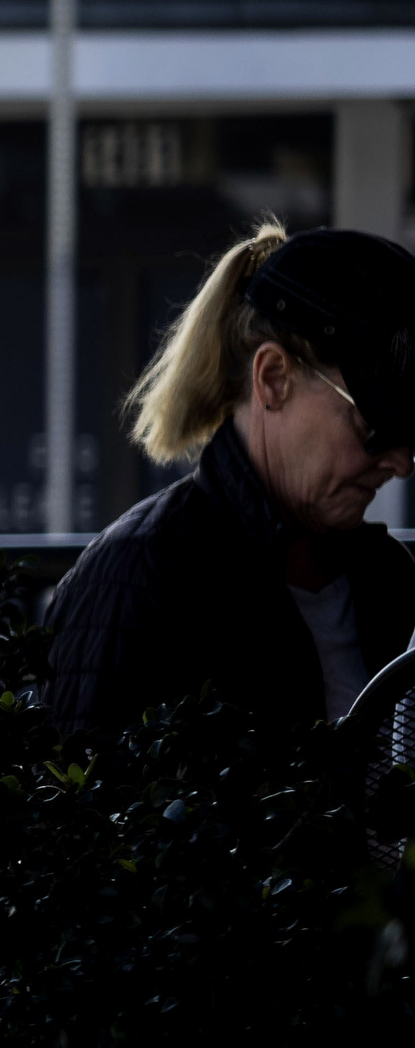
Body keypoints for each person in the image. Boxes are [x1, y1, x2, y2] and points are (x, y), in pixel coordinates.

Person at [47, 225, 415, 733]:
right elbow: (76, 801)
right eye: (371, 425)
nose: (402, 464)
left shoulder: (388, 580)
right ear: (273, 379)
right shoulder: (141, 577)